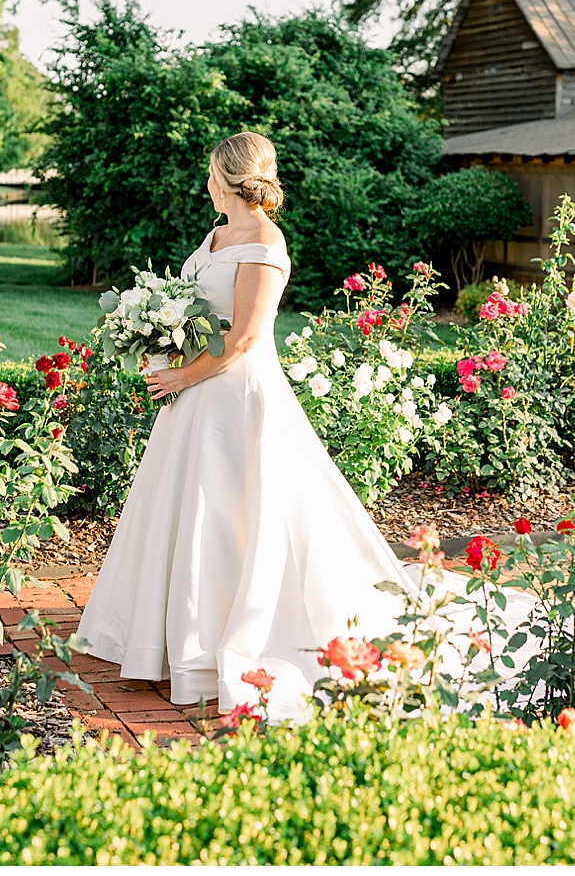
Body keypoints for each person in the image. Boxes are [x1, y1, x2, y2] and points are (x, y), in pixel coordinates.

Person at [79, 132, 532, 723]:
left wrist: (183, 376)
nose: (207, 185)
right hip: (194, 396)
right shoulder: (216, 235)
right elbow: (198, 312)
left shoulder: (265, 244)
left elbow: (243, 339)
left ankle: (218, 647)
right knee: (188, 514)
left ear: (234, 180)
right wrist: (161, 343)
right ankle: (170, 644)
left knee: (231, 517)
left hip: (236, 397)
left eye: (213, 176)